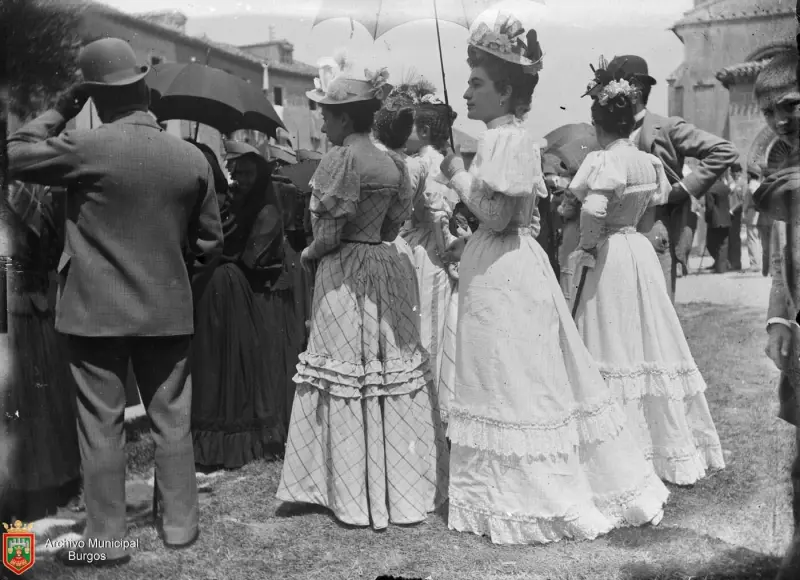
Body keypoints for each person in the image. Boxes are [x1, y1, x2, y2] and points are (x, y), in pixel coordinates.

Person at [438, 14, 668, 545]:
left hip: (505, 270)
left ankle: (524, 493)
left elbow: (494, 215)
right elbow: (522, 217)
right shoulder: (510, 138)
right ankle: (492, 493)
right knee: (502, 372)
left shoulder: (505, 142)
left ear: (506, 91)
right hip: (502, 262)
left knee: (513, 374)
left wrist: (456, 173)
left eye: (477, 84)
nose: (468, 93)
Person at [7, 38, 223, 565]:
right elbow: (210, 244)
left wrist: (63, 104)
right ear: (145, 86)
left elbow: (13, 151)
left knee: (101, 427)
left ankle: (105, 541)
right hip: (168, 311)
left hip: (94, 312)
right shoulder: (190, 156)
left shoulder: (87, 149)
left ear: (95, 98)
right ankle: (179, 529)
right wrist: (172, 280)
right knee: (172, 421)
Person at [277, 57, 446, 529]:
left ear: (346, 118)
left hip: (344, 268)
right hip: (383, 264)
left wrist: (309, 253)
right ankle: (394, 489)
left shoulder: (340, 159)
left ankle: (348, 491)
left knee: (346, 369)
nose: (323, 121)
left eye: (327, 114)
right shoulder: (394, 163)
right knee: (380, 369)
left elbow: (328, 233)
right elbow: (394, 224)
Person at [567, 66, 725, 485]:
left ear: (599, 126)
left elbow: (593, 208)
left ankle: (619, 443)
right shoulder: (647, 160)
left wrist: (586, 245)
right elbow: (656, 197)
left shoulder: (604, 159)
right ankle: (658, 443)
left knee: (608, 336)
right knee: (644, 337)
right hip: (639, 248)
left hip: (611, 251)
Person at [604, 55, 738, 300]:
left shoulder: (666, 127)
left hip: (655, 231)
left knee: (657, 315)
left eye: (613, 91)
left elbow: (724, 150)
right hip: (614, 237)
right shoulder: (607, 134)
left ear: (634, 92)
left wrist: (682, 189)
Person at [191, 140, 289, 468]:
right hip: (227, 285)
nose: (242, 179)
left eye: (249, 173)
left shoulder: (238, 205)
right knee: (219, 361)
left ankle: (225, 438)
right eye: (239, 172)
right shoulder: (230, 202)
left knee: (228, 361)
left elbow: (247, 253)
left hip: (232, 285)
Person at [1, 181, 80, 523]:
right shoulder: (44, 196)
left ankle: (24, 487)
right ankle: (49, 483)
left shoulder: (20, 197)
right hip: (37, 305)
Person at [750, 50, 800, 580]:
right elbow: (785, 253)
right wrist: (778, 319)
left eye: (790, 105)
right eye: (769, 112)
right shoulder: (781, 159)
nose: (781, 120)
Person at [398, 93, 460, 422]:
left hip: (428, 250)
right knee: (430, 320)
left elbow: (437, 215)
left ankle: (427, 405)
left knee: (426, 324)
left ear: (422, 131)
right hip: (430, 243)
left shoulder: (423, 162)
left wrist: (447, 253)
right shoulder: (443, 161)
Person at [704, 173, 733, 274]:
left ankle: (720, 266)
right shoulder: (725, 187)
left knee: (711, 244)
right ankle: (721, 266)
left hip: (715, 221)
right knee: (723, 244)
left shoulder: (710, 189)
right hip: (726, 220)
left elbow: (709, 207)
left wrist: (707, 219)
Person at [741, 162, 764, 273]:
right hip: (756, 214)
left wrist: (755, 205)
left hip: (752, 214)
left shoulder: (752, 185)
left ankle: (755, 264)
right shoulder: (758, 184)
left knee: (752, 239)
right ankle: (757, 263)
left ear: (750, 174)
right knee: (756, 239)